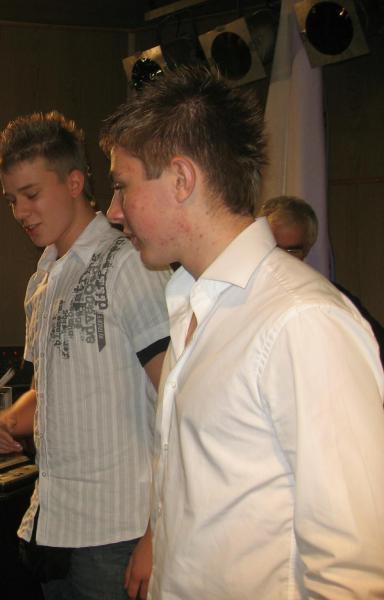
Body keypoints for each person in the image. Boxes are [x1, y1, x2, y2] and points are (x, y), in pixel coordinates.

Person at [100, 66, 384, 598]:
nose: (113, 212)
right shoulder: (192, 303)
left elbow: (351, 571)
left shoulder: (302, 320)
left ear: (181, 179)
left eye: (122, 185)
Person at [0, 111, 170, 600]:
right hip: (57, 525)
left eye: (31, 194)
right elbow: (48, 392)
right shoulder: (42, 279)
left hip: (122, 531)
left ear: (74, 182)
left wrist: (159, 530)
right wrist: (4, 422)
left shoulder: (129, 264)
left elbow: (179, 401)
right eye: (11, 200)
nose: (20, 212)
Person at [258, 195, 384, 364]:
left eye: (290, 251)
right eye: (272, 247)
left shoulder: (333, 299)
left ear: (307, 249)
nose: (279, 258)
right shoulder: (242, 294)